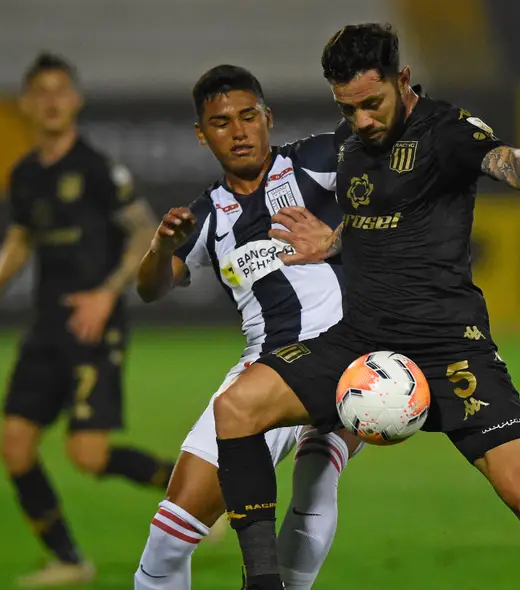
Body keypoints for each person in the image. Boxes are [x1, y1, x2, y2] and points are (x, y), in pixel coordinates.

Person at [209, 24, 520, 590]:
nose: (362, 121)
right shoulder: (353, 143)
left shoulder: (445, 132)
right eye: (348, 108)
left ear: (402, 80)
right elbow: (378, 221)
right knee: (236, 409)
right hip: (360, 340)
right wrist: (329, 242)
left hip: (448, 348)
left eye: (372, 104)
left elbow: (508, 158)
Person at [133, 64, 362, 590]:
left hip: (346, 354)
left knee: (315, 476)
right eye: (220, 122)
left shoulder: (316, 162)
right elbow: (150, 287)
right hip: (264, 367)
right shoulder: (207, 216)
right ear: (201, 134)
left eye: (247, 116)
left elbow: (390, 157)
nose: (238, 132)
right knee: (170, 535)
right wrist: (161, 246)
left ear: (267, 117)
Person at [0, 52, 176, 587]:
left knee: (88, 454)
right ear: (26, 104)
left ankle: (196, 491)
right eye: (41, 91)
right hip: (46, 327)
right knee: (14, 446)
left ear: (76, 100)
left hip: (93, 326)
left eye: (61, 90)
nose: (52, 100)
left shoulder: (97, 168)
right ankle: (69, 560)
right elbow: (21, 237)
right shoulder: (24, 175)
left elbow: (142, 233)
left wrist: (107, 295)